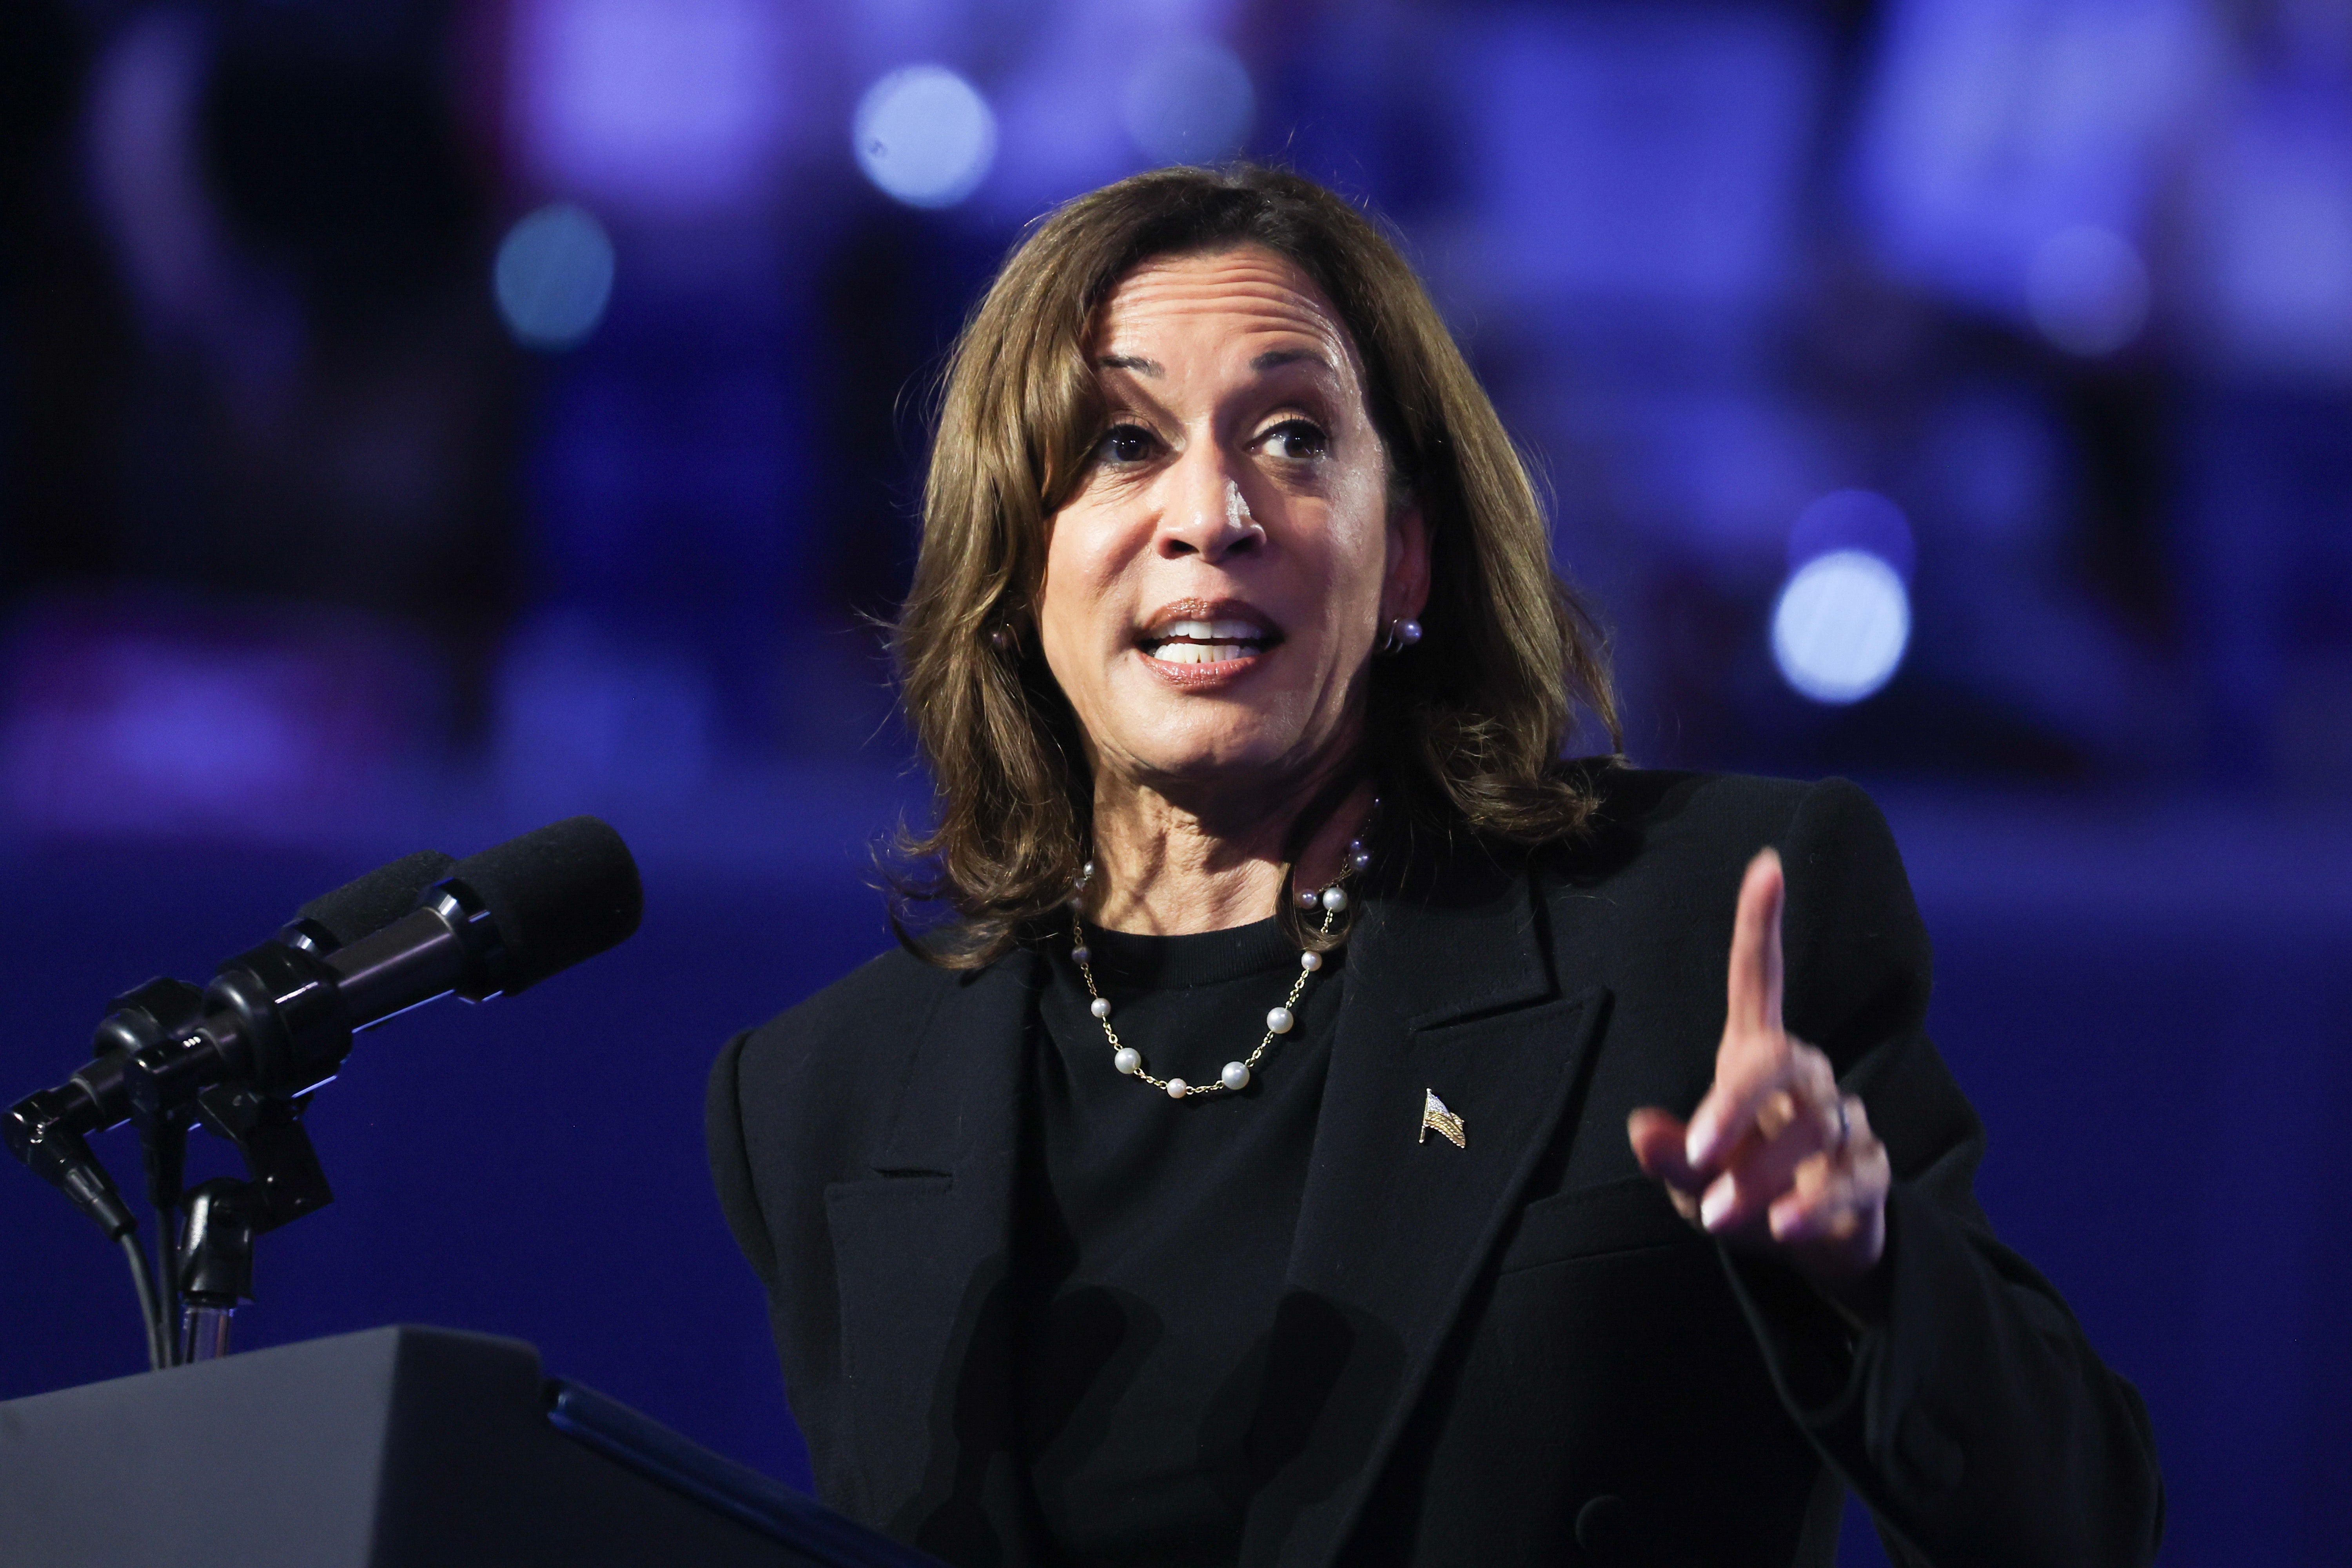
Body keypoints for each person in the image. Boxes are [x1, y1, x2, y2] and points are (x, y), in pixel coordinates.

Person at [707, 165, 2161, 1568]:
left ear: (1405, 559)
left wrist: (1868, 1266)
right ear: (1018, 564)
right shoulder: (827, 1103)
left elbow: (2074, 1523)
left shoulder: (1689, 936)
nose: (1211, 515)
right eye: (1120, 443)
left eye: (1292, 438)